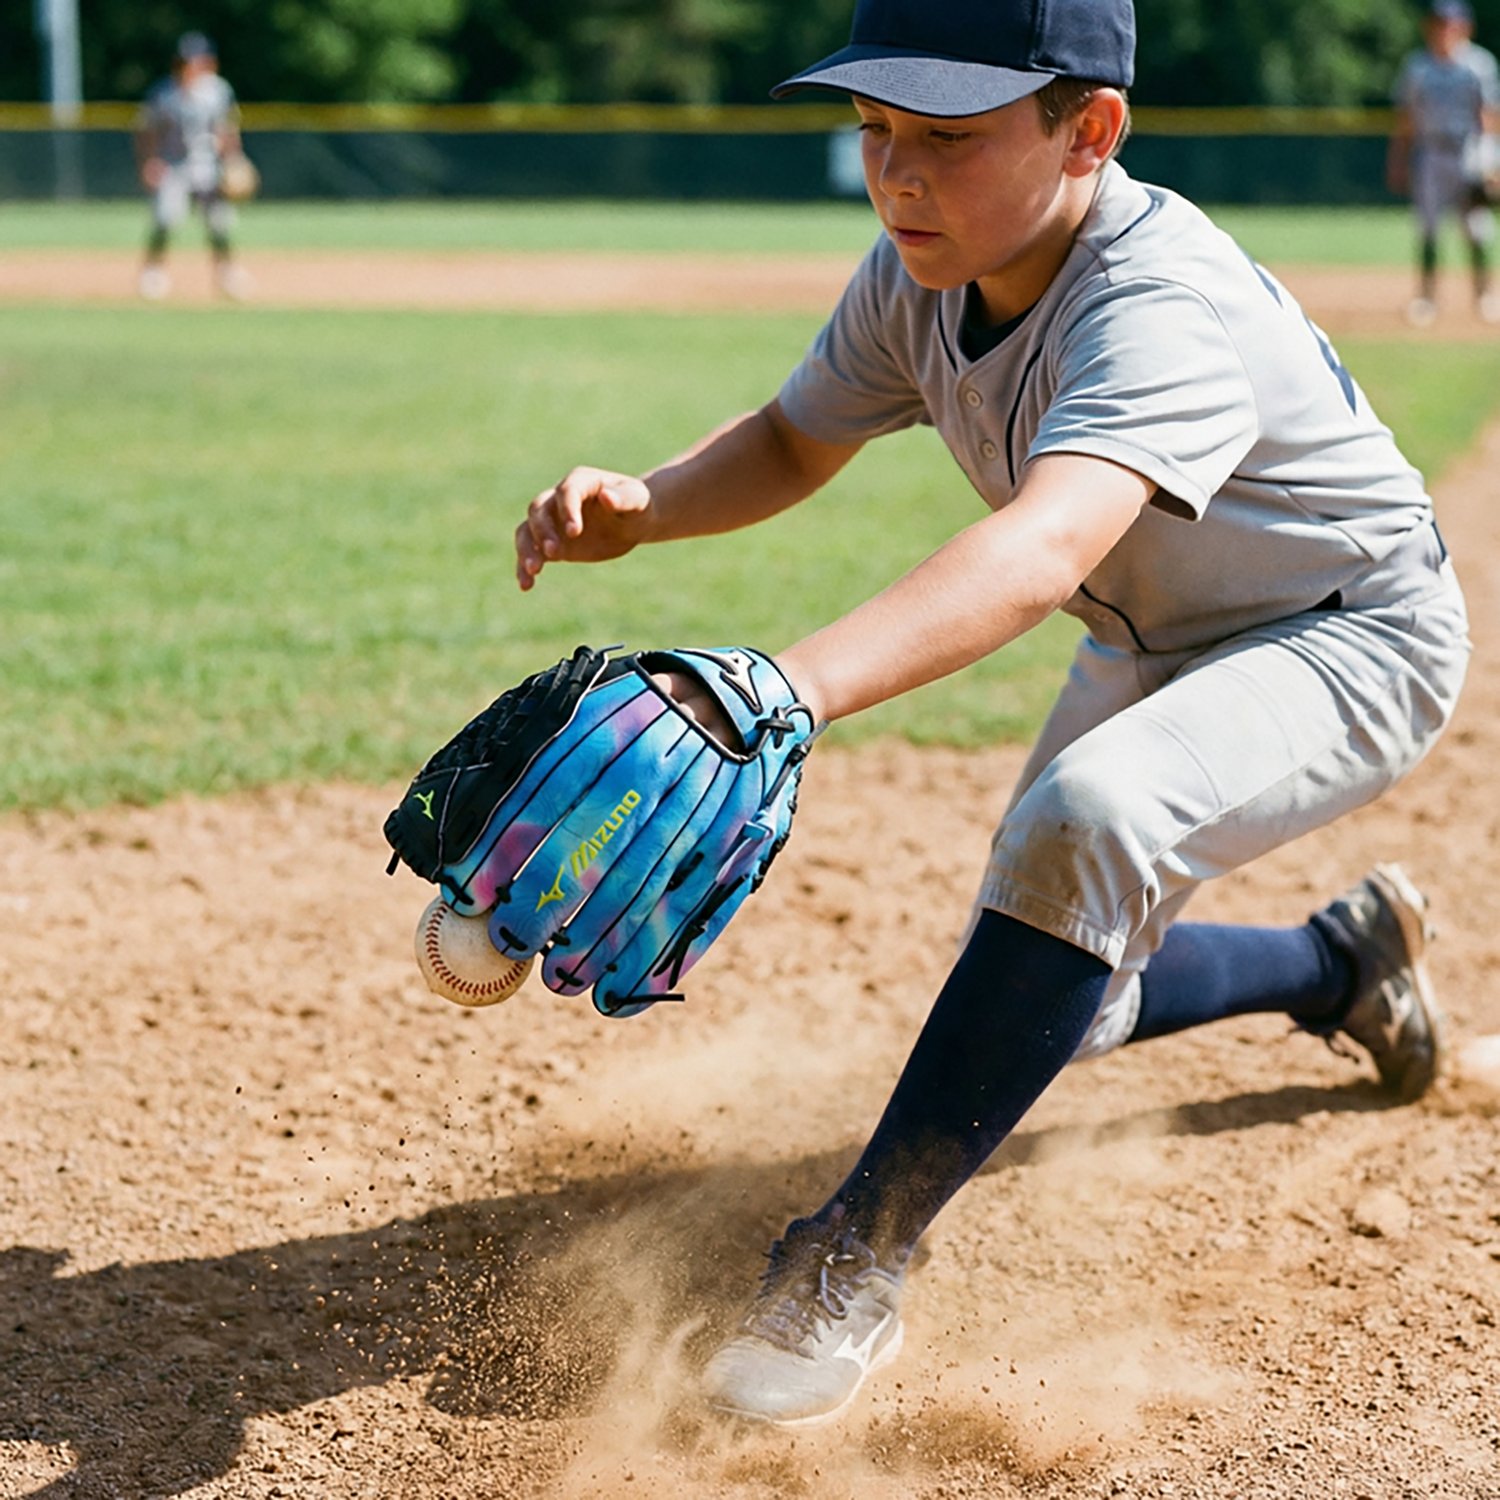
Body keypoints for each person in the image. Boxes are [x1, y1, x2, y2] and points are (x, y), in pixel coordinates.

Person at [513, 0, 1471, 1429]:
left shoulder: (1157, 299)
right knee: (1045, 1000)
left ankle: (856, 1253)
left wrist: (790, 689)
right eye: (876, 130)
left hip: (1342, 632)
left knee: (1084, 832)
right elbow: (793, 434)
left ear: (1089, 129)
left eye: (946, 137)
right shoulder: (927, 263)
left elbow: (1036, 555)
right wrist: (648, 508)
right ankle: (1341, 965)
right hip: (1159, 632)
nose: (897, 173)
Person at [1388, 0, 1500, 325]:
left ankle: (1484, 296)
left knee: (1476, 228)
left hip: (1469, 152)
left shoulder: (1479, 65)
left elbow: (1489, 115)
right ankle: (1426, 299)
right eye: (1439, 23)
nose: (1444, 30)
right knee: (1427, 227)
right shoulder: (1417, 67)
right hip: (1431, 153)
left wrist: (1493, 160)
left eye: (1450, 23)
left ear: (1464, 27)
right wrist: (1398, 159)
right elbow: (1406, 118)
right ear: (1429, 27)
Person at [134, 32, 251, 302]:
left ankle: (226, 273)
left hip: (207, 164)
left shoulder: (218, 91)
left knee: (218, 222)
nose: (190, 66)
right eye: (185, 60)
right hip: (173, 165)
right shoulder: (164, 93)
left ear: (208, 62)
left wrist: (234, 158)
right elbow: (147, 132)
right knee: (165, 219)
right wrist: (150, 161)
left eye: (196, 60)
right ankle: (153, 272)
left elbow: (227, 130)